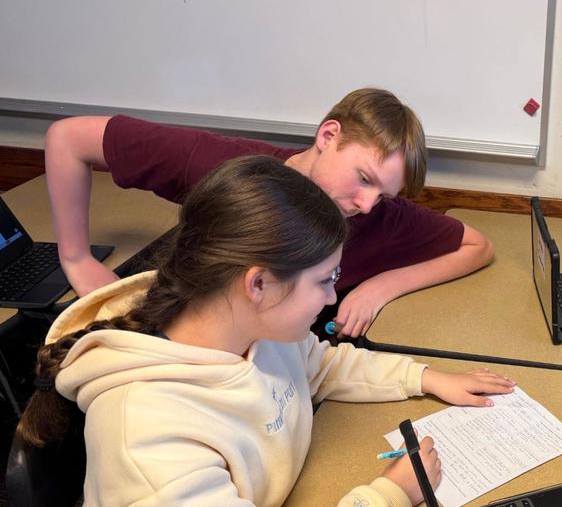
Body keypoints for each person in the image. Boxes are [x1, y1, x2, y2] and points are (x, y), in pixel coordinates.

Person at [16, 155, 515, 507]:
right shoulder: (149, 441)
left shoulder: (243, 325)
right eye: (324, 281)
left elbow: (318, 365)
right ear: (257, 284)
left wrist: (425, 378)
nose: (329, 300)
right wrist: (390, 496)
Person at [43, 87, 495, 337]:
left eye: (385, 194)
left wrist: (380, 287)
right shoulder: (234, 170)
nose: (367, 204)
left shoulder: (378, 216)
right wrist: (77, 259)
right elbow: (68, 138)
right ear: (328, 136)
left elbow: (478, 245)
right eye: (363, 178)